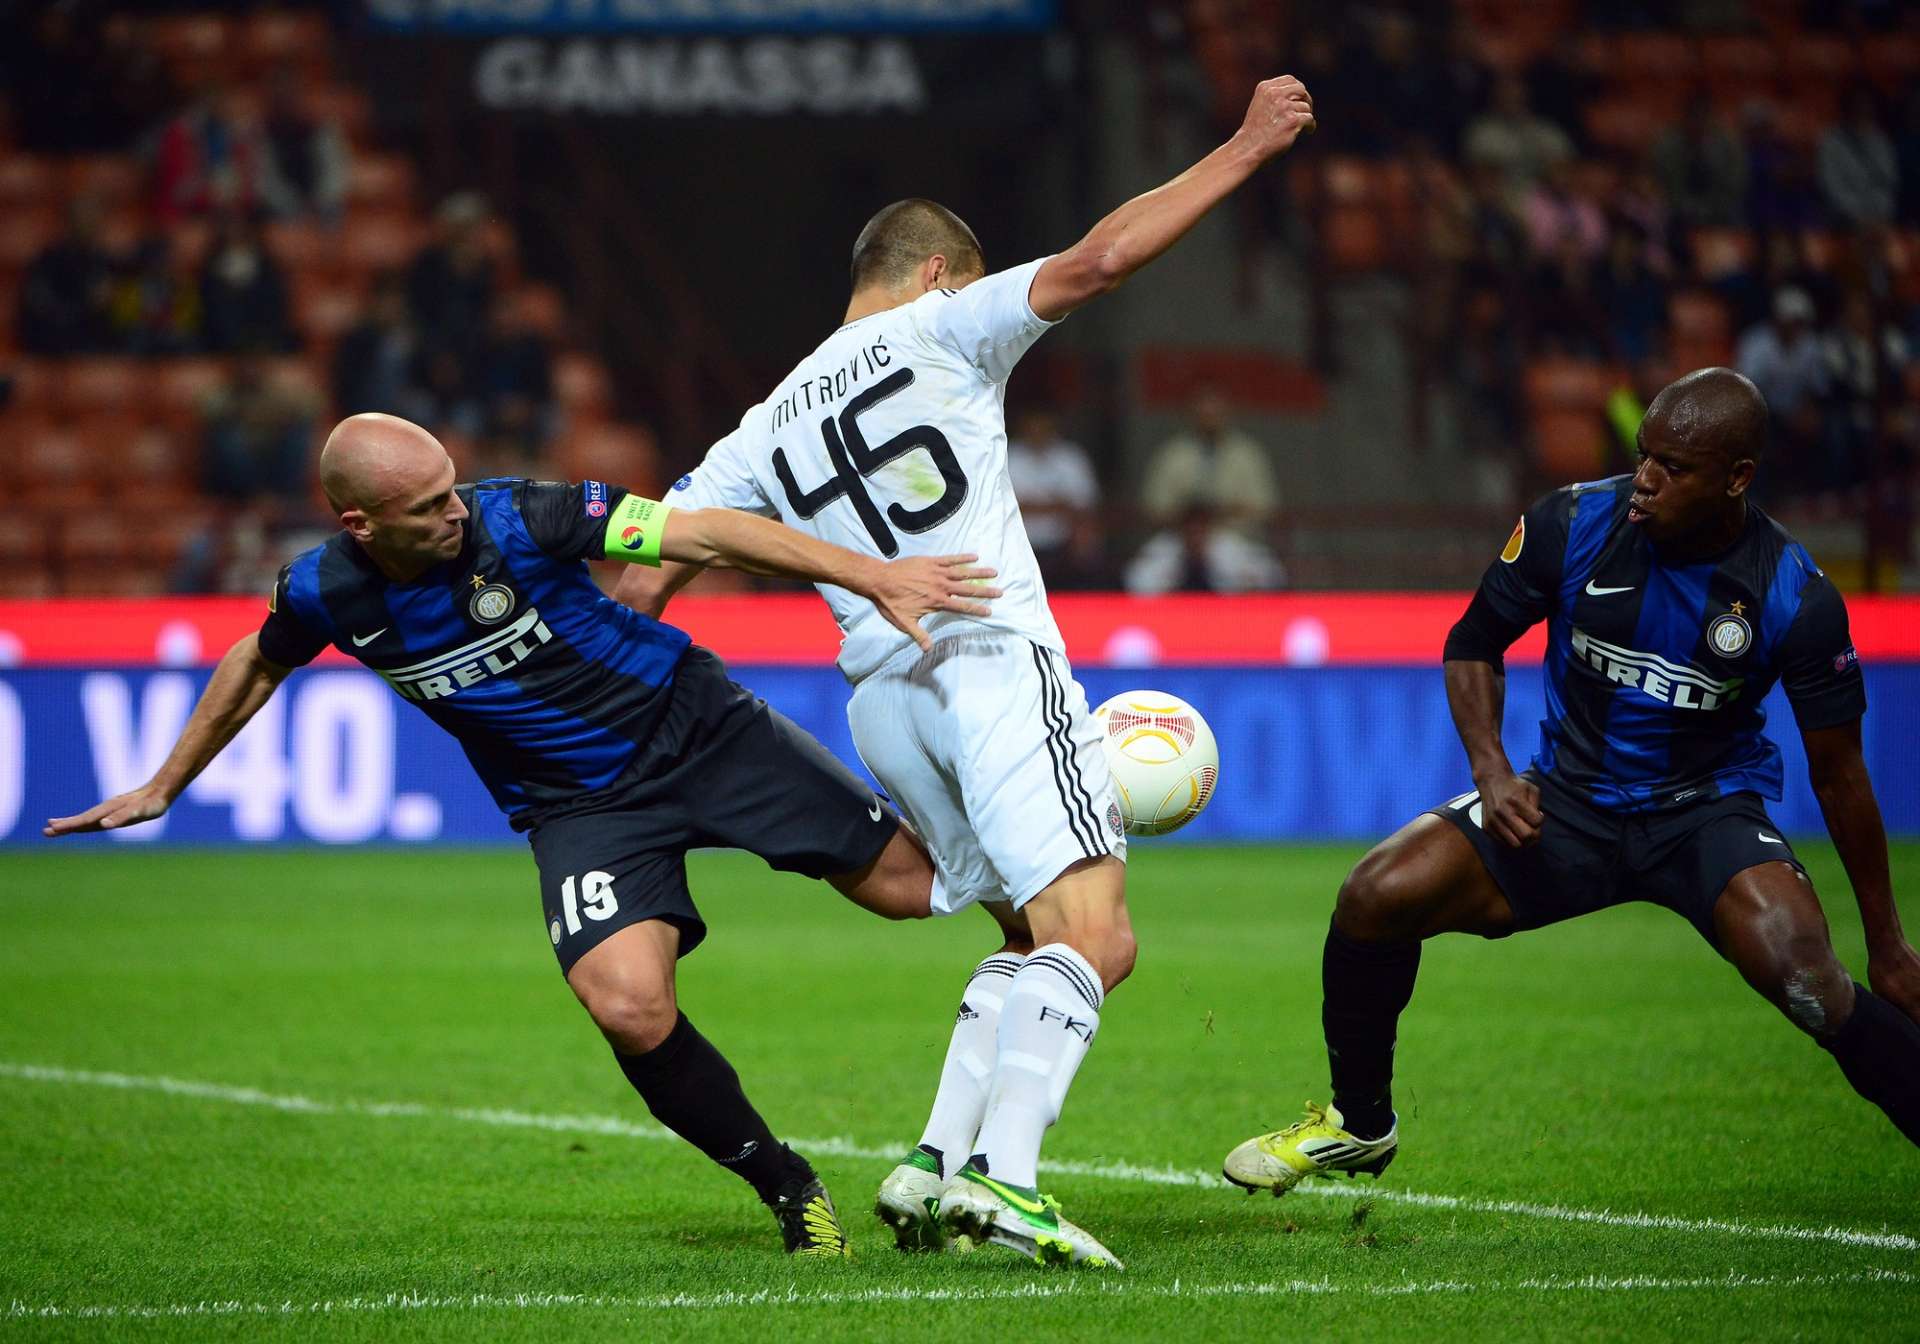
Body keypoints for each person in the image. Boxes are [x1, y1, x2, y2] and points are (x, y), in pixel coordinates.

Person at [617, 73, 1316, 1268]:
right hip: (989, 659)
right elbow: (1098, 262)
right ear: (938, 271)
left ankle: (935, 1163)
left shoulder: (762, 424)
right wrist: (1245, 149)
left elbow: (653, 565)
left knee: (1031, 935)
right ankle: (1008, 1181)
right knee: (1096, 940)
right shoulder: (944, 324)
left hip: (885, 704)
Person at [44, 412, 1000, 1258]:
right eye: (426, 507)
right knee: (627, 1007)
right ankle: (789, 1187)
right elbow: (259, 660)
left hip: (702, 731)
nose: (453, 512)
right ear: (361, 525)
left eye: (451, 488)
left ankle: (1048, 930)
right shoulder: (324, 591)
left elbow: (699, 530)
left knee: (910, 894)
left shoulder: (525, 515)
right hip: (580, 808)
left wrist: (872, 576)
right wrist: (164, 784)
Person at [1222, 368, 1920, 1199]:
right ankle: (1361, 1125)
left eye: (1674, 467)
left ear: (1737, 478)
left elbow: (1839, 776)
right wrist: (1492, 770)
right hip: (1569, 805)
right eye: (1643, 454)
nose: (1646, 479)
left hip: (1705, 815)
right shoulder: (1574, 522)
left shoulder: (1793, 594)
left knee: (1808, 978)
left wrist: (1887, 945)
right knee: (1375, 894)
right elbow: (1474, 640)